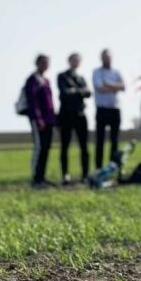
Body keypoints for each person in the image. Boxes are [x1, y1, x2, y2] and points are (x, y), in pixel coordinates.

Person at [57, 52, 92, 185]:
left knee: (84, 146)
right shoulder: (62, 76)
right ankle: (65, 174)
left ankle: (85, 174)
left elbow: (88, 93)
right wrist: (80, 92)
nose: (75, 63)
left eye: (78, 60)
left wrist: (75, 91)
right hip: (66, 115)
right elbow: (65, 93)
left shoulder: (81, 78)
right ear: (69, 61)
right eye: (73, 60)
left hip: (80, 115)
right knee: (65, 146)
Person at [25, 54, 56, 188]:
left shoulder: (46, 80)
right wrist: (38, 119)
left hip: (49, 120)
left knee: (46, 149)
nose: (45, 65)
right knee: (39, 147)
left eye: (47, 63)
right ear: (37, 63)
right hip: (39, 121)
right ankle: (35, 178)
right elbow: (33, 102)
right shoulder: (32, 80)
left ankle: (42, 177)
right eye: (43, 63)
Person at [93, 49, 125, 168]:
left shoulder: (116, 72)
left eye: (108, 57)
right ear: (101, 59)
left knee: (115, 140)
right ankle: (99, 167)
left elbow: (123, 86)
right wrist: (114, 87)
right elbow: (100, 88)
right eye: (104, 57)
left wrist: (108, 84)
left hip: (115, 109)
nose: (107, 59)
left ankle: (112, 167)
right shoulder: (97, 72)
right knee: (100, 140)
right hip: (102, 109)